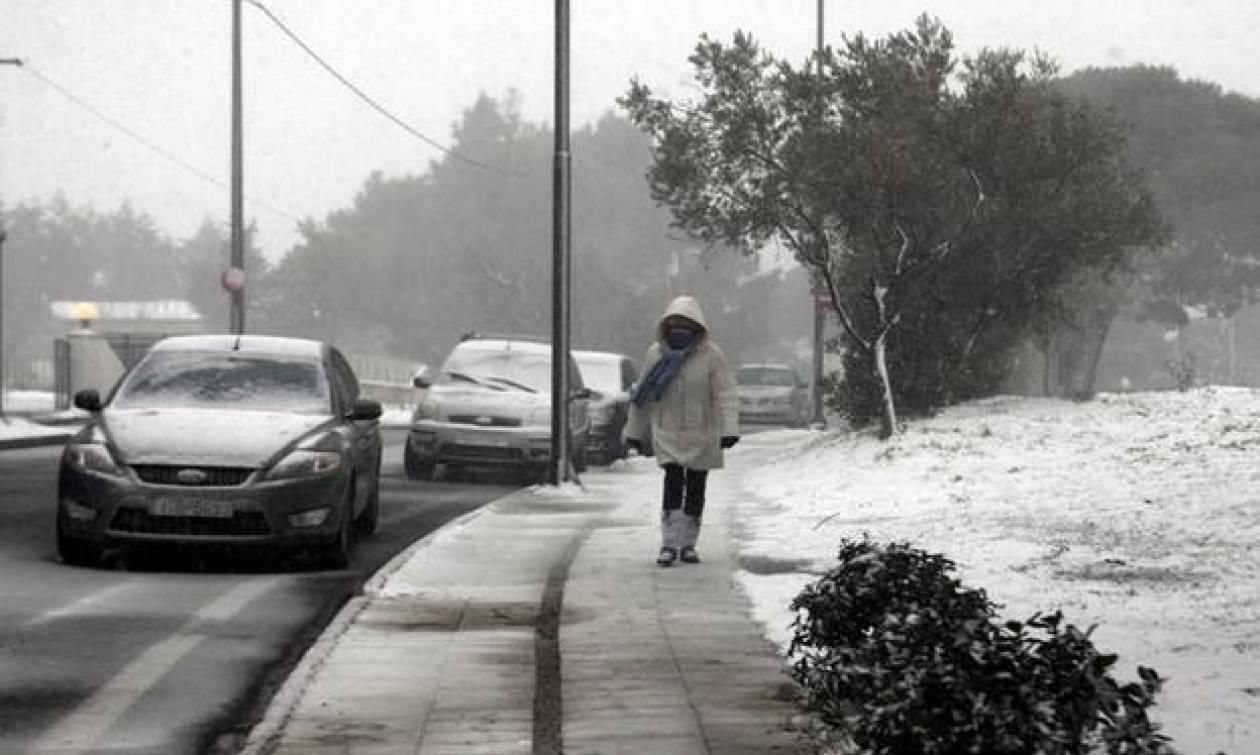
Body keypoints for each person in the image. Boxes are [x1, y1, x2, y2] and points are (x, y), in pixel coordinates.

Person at [624, 295, 739, 567]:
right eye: (675, 322)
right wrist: (634, 432)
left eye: (686, 323)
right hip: (668, 431)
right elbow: (644, 394)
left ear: (697, 325)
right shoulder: (656, 354)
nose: (680, 328)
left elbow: (726, 393)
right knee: (673, 483)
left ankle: (688, 543)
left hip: (703, 432)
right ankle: (669, 542)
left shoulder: (712, 355)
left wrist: (729, 429)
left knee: (697, 487)